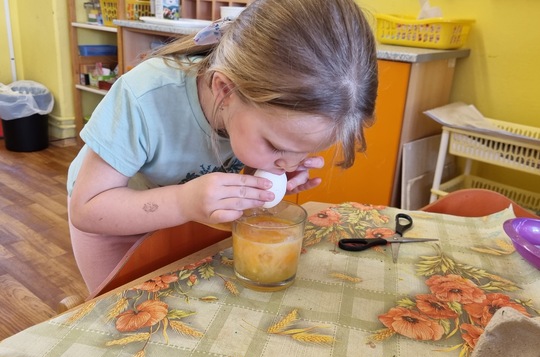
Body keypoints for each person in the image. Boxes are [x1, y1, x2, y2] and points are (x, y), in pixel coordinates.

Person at [67, 0, 379, 293]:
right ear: (224, 91)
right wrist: (183, 202)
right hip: (110, 221)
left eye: (306, 150)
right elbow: (88, 209)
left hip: (187, 214)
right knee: (126, 309)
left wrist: (259, 175)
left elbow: (227, 167)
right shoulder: (144, 96)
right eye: (275, 146)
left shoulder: (248, 112)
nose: (287, 163)